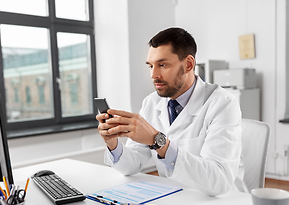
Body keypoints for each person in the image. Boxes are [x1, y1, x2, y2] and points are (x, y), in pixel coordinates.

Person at [96, 27, 247, 196]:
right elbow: (132, 165)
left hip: (223, 204)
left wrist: (157, 141)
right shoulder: (151, 102)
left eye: (162, 65)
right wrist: (112, 143)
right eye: (150, 66)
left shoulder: (223, 104)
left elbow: (218, 181)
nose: (154, 75)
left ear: (188, 64)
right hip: (174, 198)